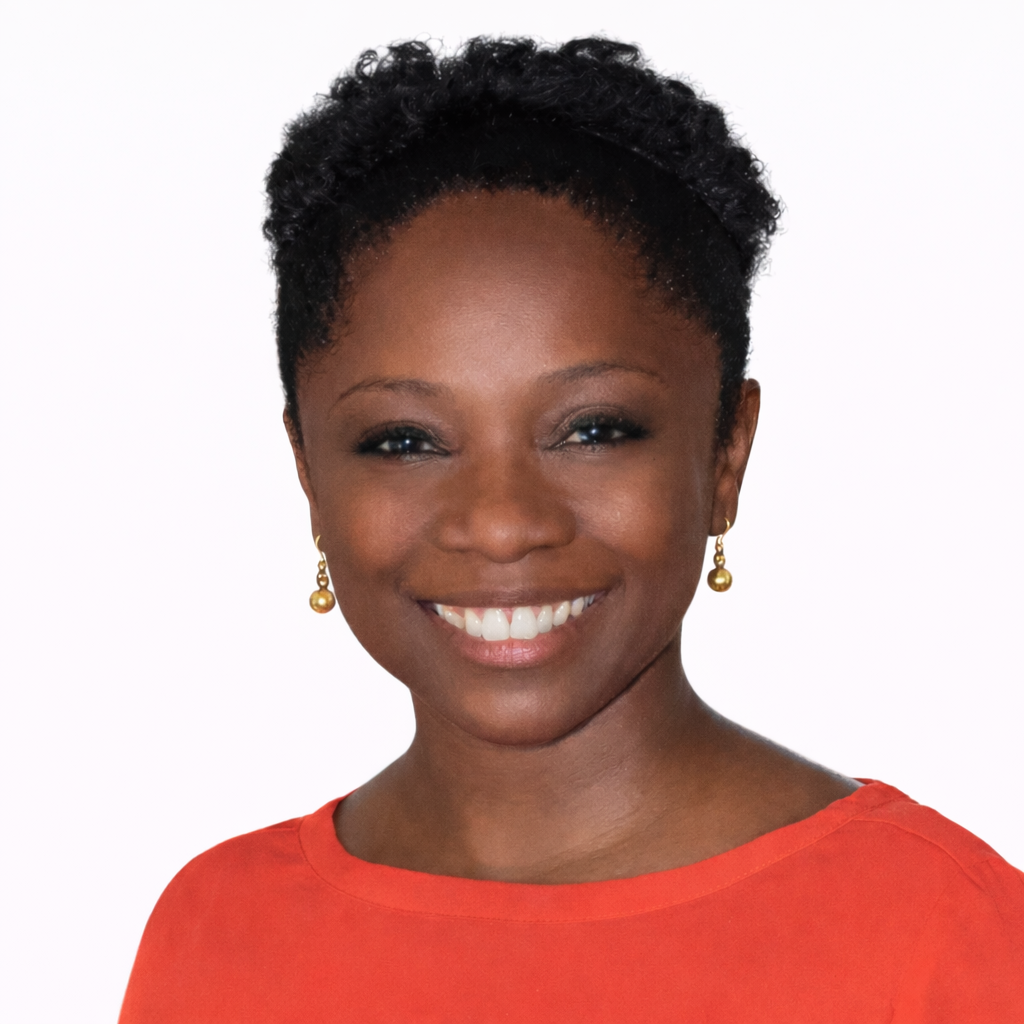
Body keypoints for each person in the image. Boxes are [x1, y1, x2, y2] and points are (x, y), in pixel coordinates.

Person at [118, 37, 1024, 1022]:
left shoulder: (943, 934)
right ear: (308, 474)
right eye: (404, 440)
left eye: (592, 430)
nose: (502, 525)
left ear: (725, 455)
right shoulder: (217, 929)